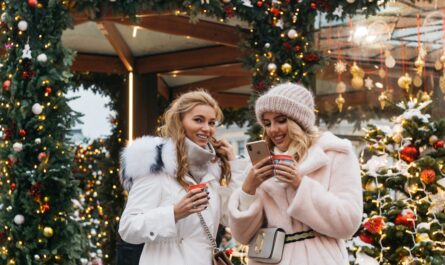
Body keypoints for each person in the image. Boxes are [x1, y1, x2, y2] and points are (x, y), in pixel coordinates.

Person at [228, 82, 363, 265]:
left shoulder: (335, 154)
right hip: (269, 258)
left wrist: (300, 185)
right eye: (267, 123)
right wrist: (248, 190)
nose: (273, 129)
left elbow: (348, 224)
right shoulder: (261, 164)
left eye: (281, 120)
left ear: (298, 120)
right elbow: (242, 237)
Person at [119, 90, 246, 265]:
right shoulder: (157, 166)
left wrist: (233, 163)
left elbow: (231, 216)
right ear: (180, 122)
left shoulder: (211, 172)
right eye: (198, 120)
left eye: (211, 122)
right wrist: (174, 213)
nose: (206, 128)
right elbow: (128, 228)